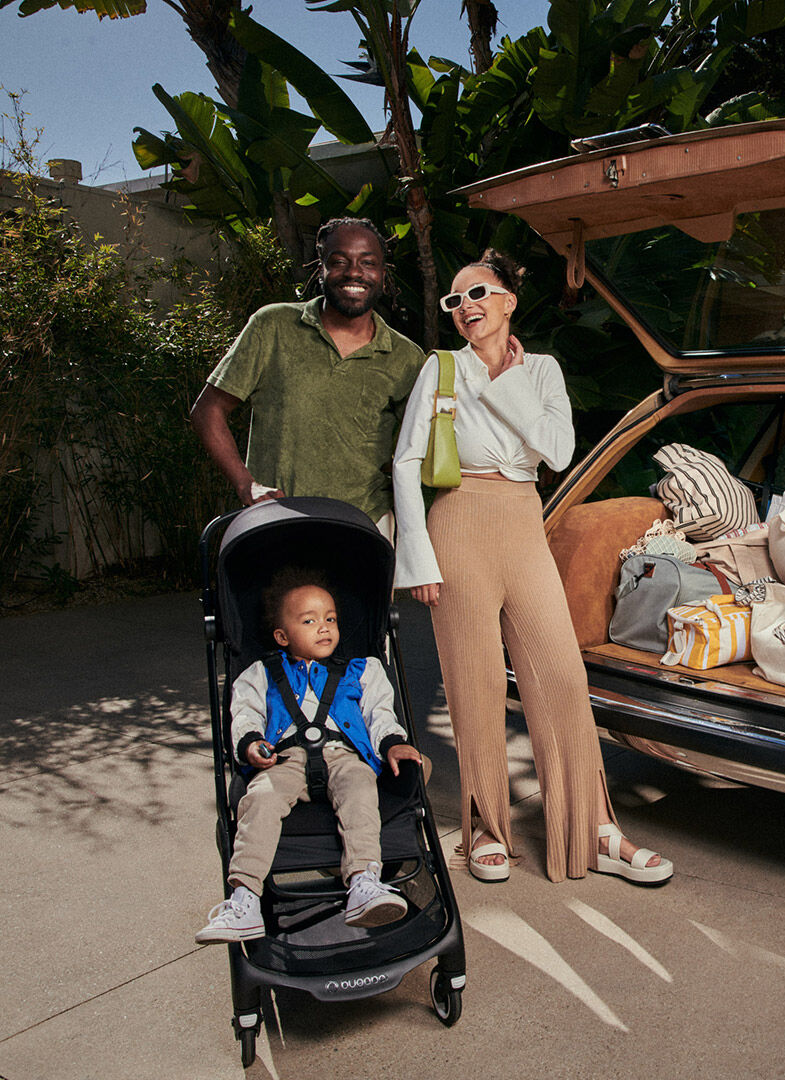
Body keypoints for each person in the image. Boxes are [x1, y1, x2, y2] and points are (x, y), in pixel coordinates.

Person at [392, 251, 673, 886]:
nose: (466, 307)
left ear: (509, 301)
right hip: (457, 518)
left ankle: (595, 831)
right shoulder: (440, 371)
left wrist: (507, 380)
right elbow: (408, 462)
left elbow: (558, 450)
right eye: (455, 301)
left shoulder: (542, 371)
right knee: (476, 682)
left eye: (479, 294)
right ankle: (488, 829)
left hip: (523, 518)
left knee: (563, 678)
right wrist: (417, 557)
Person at [196, 569, 423, 942]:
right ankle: (245, 898)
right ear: (282, 636)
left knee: (362, 789)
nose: (324, 627)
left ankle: (365, 882)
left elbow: (379, 714)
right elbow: (246, 713)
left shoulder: (362, 670)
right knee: (260, 799)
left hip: (344, 754)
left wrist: (392, 742)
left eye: (330, 618)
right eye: (309, 620)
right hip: (283, 760)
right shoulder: (261, 673)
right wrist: (251, 743)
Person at [190, 218, 425, 537]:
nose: (354, 272)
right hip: (278, 518)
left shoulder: (406, 357)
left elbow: (419, 447)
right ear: (321, 269)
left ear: (383, 275)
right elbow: (208, 410)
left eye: (368, 263)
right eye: (339, 261)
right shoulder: (272, 326)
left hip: (366, 524)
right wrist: (248, 486)